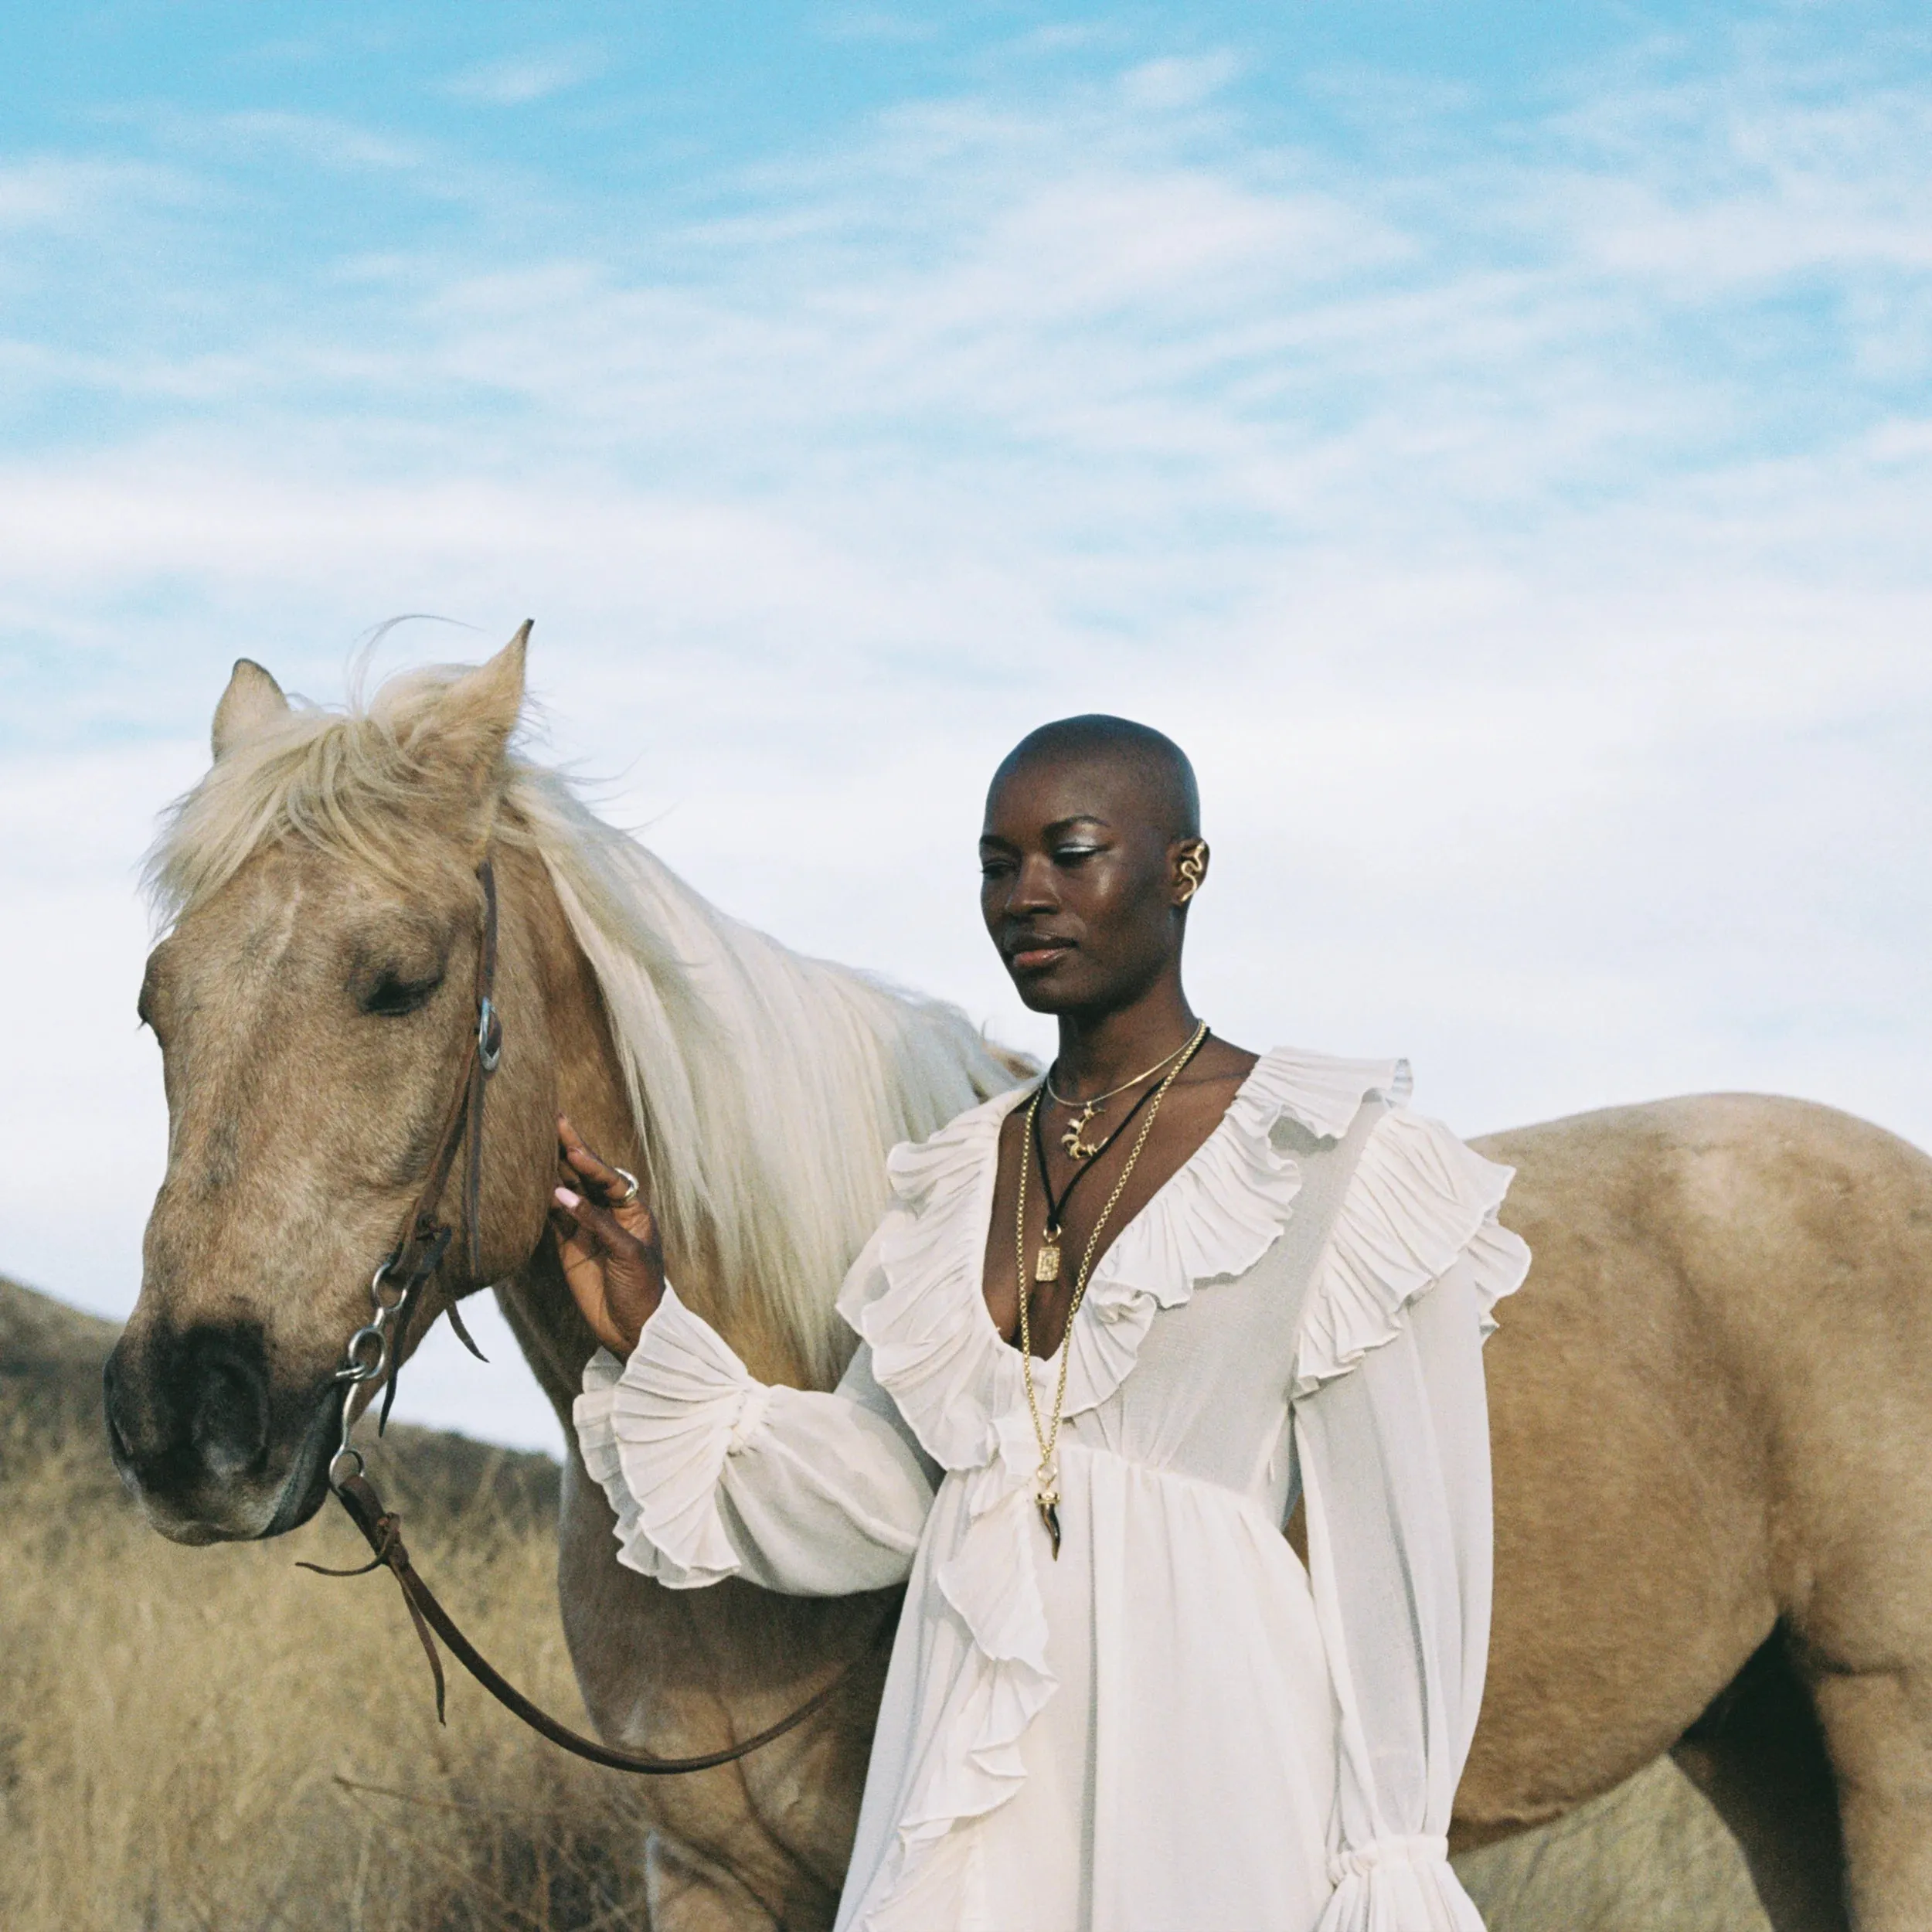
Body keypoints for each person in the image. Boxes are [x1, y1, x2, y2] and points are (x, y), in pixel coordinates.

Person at [552, 716, 1529, 1932]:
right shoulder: (957, 1178)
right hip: (967, 1765)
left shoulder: (1332, 1160)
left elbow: (1402, 1564)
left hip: (1212, 1768)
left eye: (1072, 853)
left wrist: (1388, 1857)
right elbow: (885, 1492)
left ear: (1185, 868)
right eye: (997, 865)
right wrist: (654, 1328)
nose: (1027, 896)